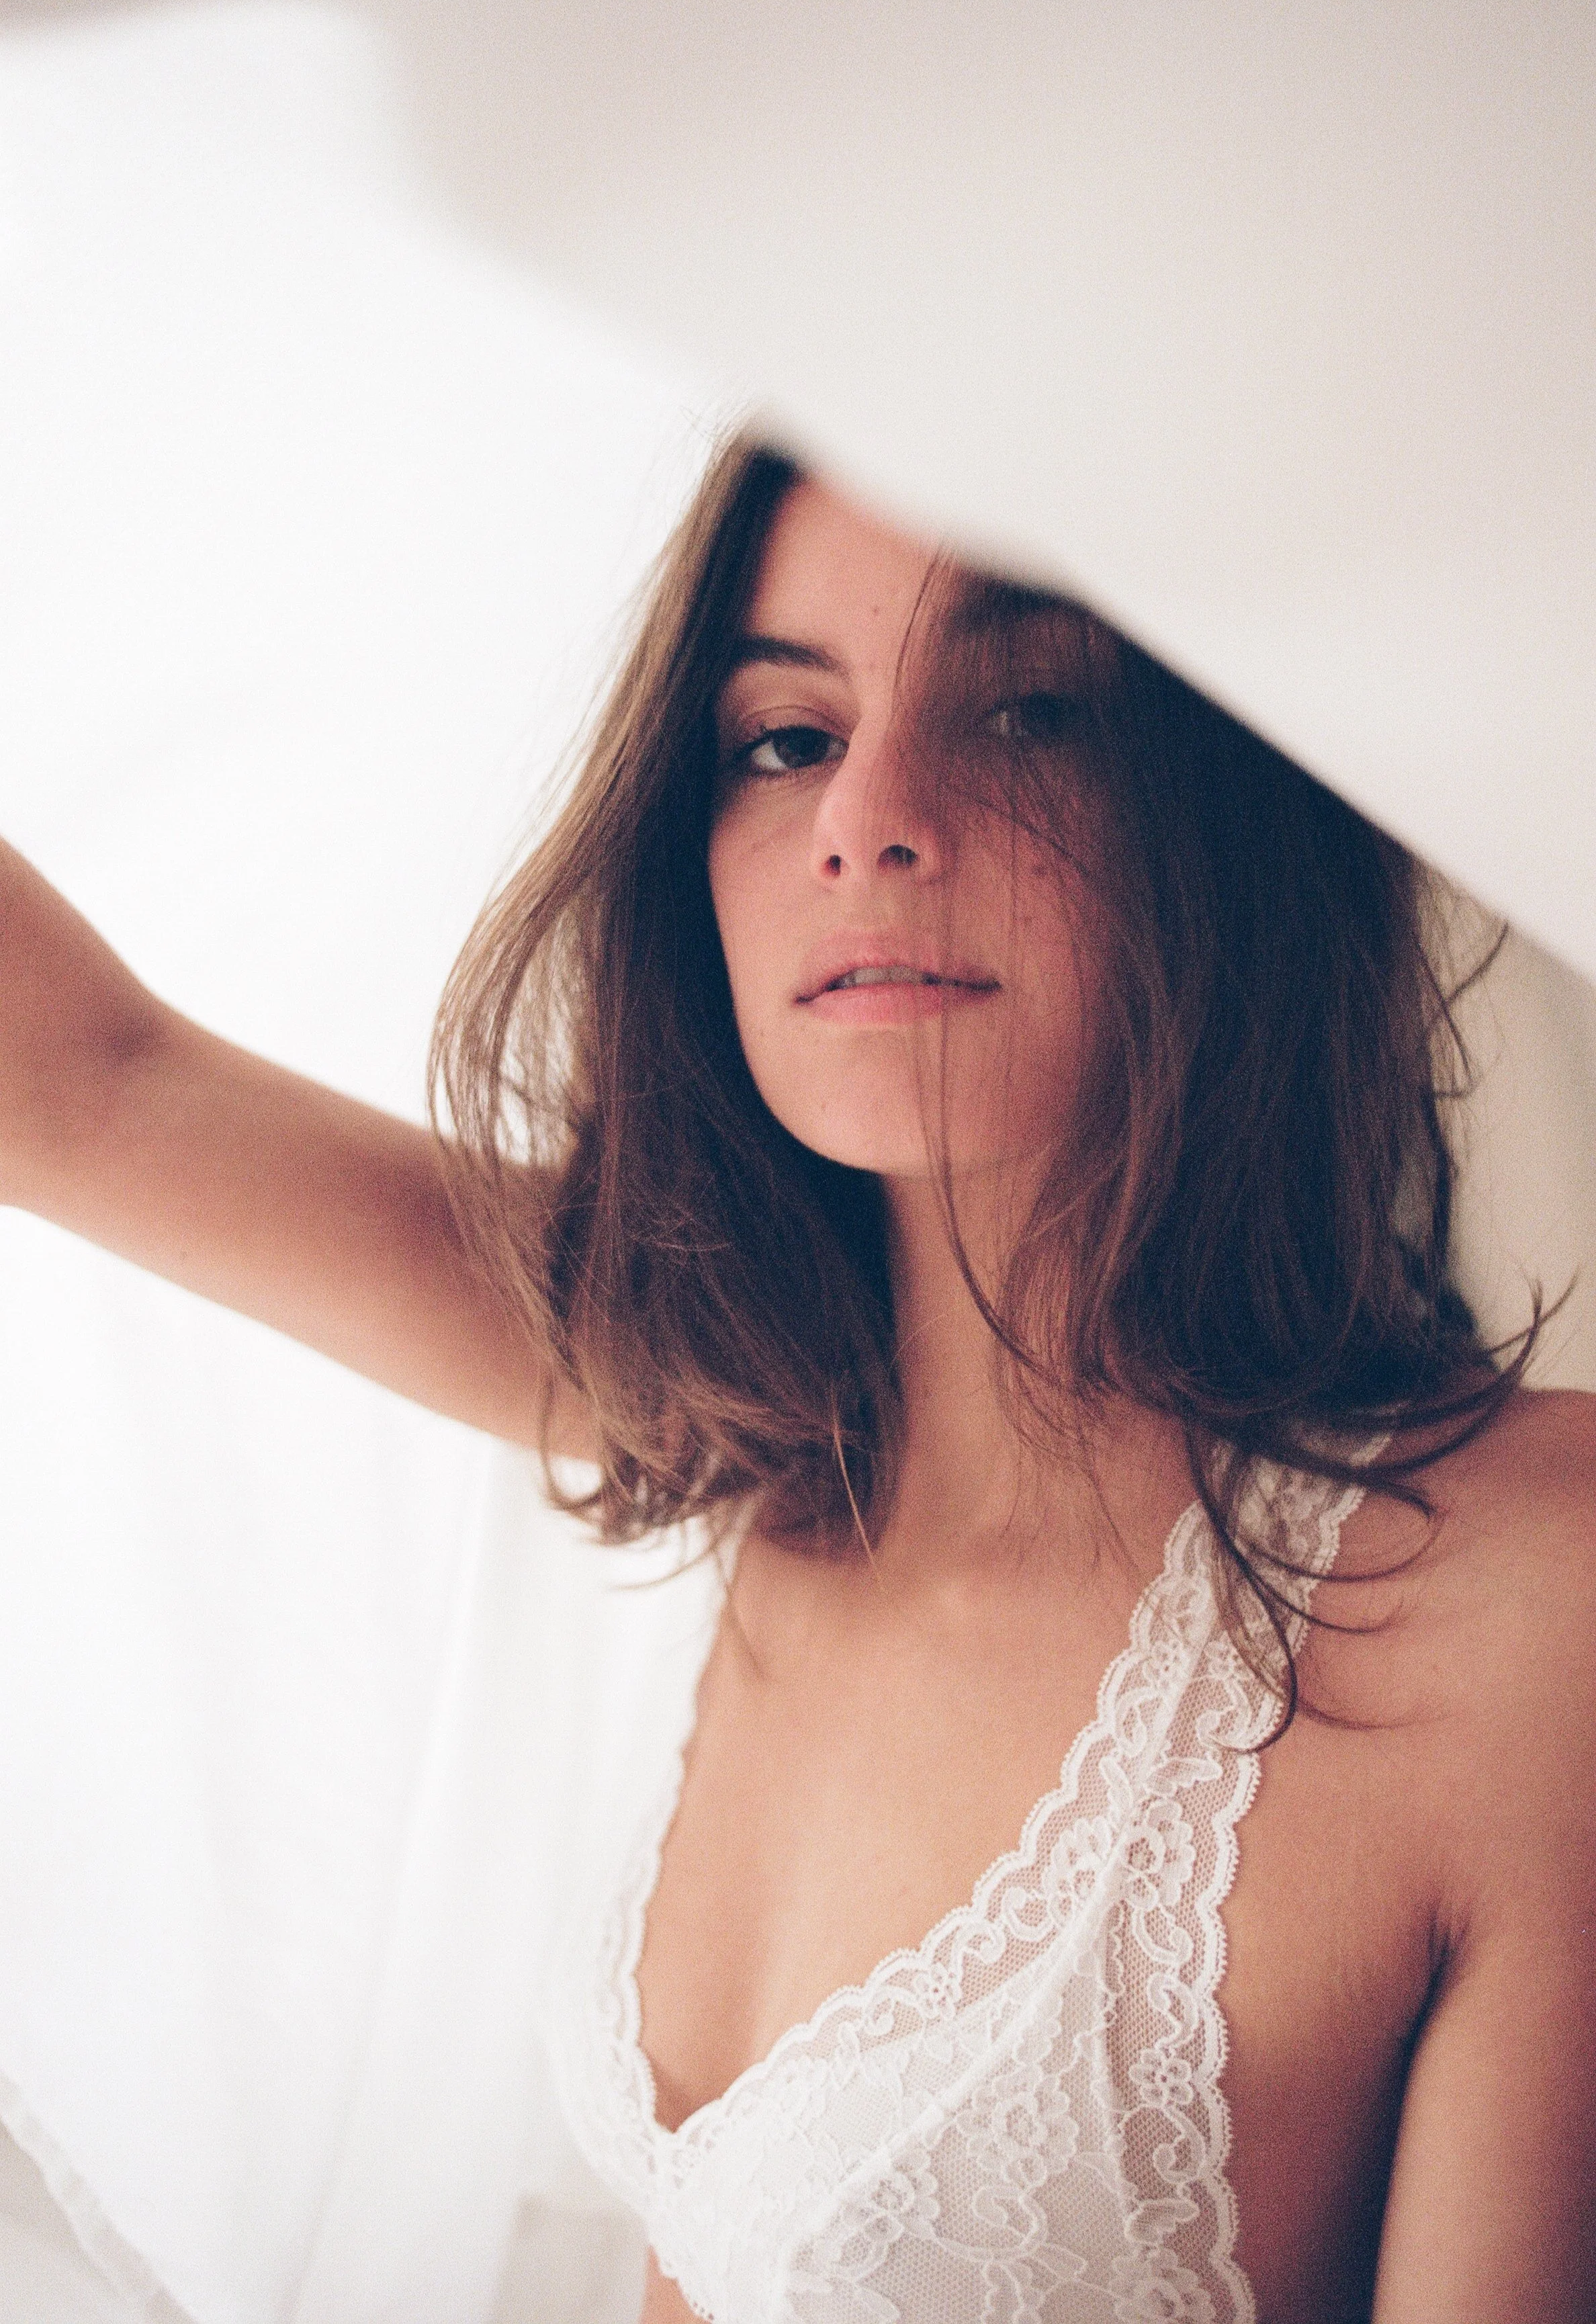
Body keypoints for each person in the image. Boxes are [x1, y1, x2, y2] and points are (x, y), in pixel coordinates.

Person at [3, 435, 1593, 2324]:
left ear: (1241, 809)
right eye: (783, 736)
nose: (870, 816)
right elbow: (88, 1087)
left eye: (1027, 711)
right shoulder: (739, 1403)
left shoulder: (1526, 1595)